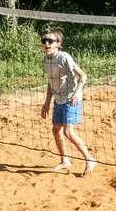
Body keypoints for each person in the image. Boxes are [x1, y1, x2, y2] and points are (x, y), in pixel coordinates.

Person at [40, 28, 97, 174]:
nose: (46, 43)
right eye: (44, 40)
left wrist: (77, 93)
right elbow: (50, 82)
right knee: (56, 130)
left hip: (71, 98)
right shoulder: (46, 60)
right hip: (58, 100)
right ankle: (65, 160)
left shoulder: (64, 57)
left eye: (50, 41)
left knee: (68, 131)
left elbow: (83, 76)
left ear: (58, 44)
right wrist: (46, 102)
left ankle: (90, 159)